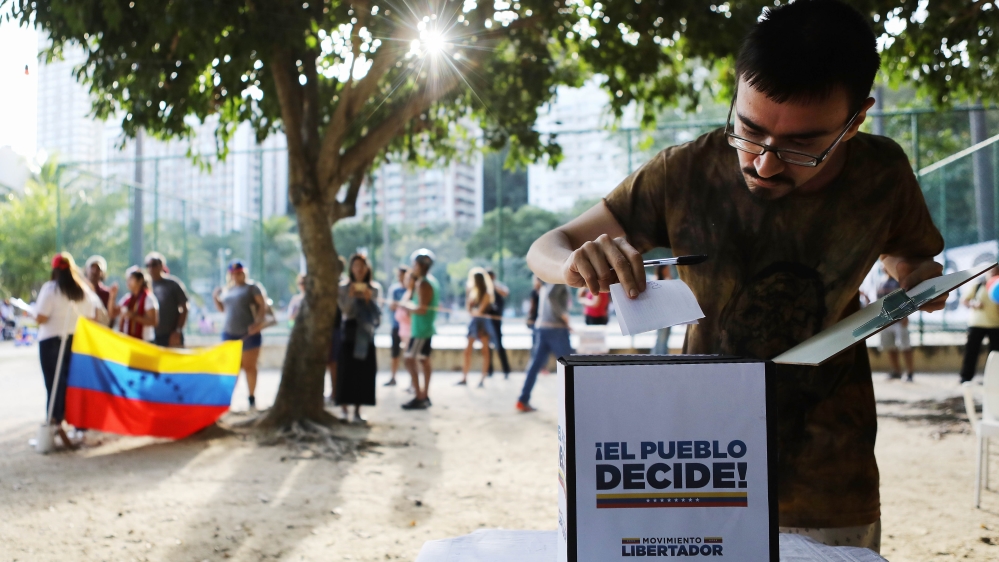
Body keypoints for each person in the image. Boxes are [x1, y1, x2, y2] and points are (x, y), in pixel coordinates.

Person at [524, 1, 947, 550]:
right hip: (699, 459)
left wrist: (917, 278)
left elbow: (906, 253)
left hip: (831, 472)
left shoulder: (883, 173)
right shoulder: (685, 172)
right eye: (747, 131)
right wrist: (575, 263)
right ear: (737, 92)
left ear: (855, 120)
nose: (765, 164)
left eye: (801, 147)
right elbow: (546, 247)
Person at [33, 253, 103, 448]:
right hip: (75, 342)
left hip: (51, 341)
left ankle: (54, 424)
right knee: (69, 383)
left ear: (54, 269)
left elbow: (41, 318)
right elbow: (93, 317)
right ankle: (73, 425)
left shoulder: (50, 289)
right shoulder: (83, 290)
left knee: (53, 385)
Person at [213, 260, 268, 410]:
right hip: (229, 333)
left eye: (240, 272)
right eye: (234, 273)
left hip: (248, 333)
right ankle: (228, 400)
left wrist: (258, 323)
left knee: (249, 366)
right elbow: (223, 309)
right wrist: (215, 298)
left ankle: (251, 398)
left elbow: (262, 305)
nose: (237, 275)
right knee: (231, 368)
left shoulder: (252, 288)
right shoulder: (227, 290)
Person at [336, 254, 382, 423]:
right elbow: (345, 310)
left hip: (366, 332)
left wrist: (369, 299)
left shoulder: (375, 288)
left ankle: (357, 410)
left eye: (362, 266)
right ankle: (343, 409)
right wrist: (351, 295)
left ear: (367, 268)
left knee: (363, 371)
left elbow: (378, 315)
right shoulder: (342, 287)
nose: (359, 269)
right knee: (346, 370)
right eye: (355, 266)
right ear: (351, 268)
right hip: (349, 331)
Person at [517, 283, 573, 413]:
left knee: (535, 365)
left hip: (542, 327)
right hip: (556, 328)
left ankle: (522, 399)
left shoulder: (546, 280)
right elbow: (551, 296)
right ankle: (578, 403)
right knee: (571, 367)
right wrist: (564, 315)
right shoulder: (558, 279)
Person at [402, 249, 439, 410]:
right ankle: (424, 394)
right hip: (424, 328)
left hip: (421, 330)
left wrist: (407, 306)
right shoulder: (430, 281)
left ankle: (419, 396)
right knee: (424, 360)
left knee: (409, 359)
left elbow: (421, 309)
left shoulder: (423, 283)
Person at [960, 266, 999, 383]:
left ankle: (993, 378)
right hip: (976, 323)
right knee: (971, 351)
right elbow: (964, 300)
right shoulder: (977, 285)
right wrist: (973, 304)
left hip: (995, 324)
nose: (993, 274)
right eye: (992, 271)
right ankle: (966, 377)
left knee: (995, 354)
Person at [459, 267, 496, 387]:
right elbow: (470, 310)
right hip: (474, 322)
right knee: (467, 351)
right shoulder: (472, 293)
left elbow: (479, 311)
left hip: (483, 323)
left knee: (485, 351)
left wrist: (473, 310)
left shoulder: (487, 293)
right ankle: (464, 377)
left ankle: (482, 378)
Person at [144, 252, 189, 348]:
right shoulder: (145, 287)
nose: (151, 268)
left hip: (171, 336)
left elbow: (185, 308)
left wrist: (178, 331)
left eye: (154, 265)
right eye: (148, 265)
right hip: (151, 337)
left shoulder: (173, 284)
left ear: (162, 266)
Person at [876, 274, 914, 381]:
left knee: (905, 346)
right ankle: (896, 371)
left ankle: (910, 372)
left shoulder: (899, 281)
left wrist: (906, 316)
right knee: (890, 347)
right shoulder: (881, 282)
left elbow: (907, 298)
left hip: (900, 319)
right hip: (886, 321)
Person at [110, 267, 160, 342]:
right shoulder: (127, 299)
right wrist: (112, 297)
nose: (128, 282)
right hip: (128, 341)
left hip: (145, 342)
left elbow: (154, 321)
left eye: (131, 279)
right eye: (127, 279)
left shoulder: (149, 298)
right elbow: (112, 314)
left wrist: (133, 316)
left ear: (140, 281)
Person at [386, 266, 409, 386]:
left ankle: (412, 382)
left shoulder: (411, 290)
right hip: (396, 325)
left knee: (409, 354)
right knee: (394, 353)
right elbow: (391, 306)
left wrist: (400, 305)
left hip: (408, 327)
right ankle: (393, 378)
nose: (400, 278)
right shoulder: (394, 289)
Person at [486, 269, 512, 378]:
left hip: (496, 321)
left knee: (499, 345)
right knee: (487, 346)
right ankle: (489, 370)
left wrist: (493, 286)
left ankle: (506, 370)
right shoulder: (484, 288)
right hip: (487, 320)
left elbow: (505, 292)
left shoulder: (498, 286)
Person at [652, 264, 672, 354]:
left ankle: (659, 354)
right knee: (662, 337)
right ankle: (660, 355)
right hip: (663, 315)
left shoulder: (662, 281)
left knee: (663, 337)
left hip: (665, 315)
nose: (669, 270)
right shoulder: (660, 283)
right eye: (667, 269)